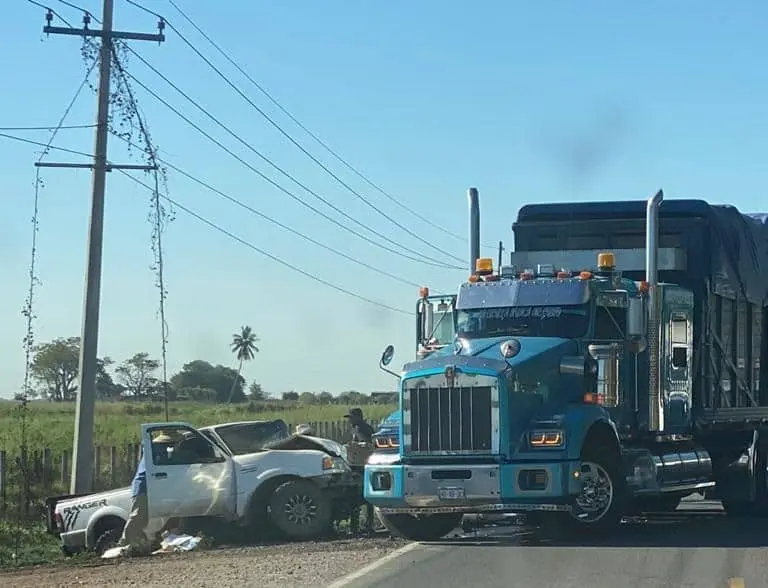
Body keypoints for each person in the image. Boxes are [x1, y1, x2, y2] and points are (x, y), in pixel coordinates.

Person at [119, 432, 175, 554]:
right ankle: (126, 542)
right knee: (138, 516)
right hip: (143, 487)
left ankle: (142, 544)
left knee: (145, 518)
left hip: (149, 488)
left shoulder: (153, 449)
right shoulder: (157, 452)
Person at [344, 408, 375, 533]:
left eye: (351, 417)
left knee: (360, 497)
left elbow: (368, 445)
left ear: (358, 417)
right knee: (363, 498)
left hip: (363, 467)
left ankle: (361, 525)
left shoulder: (362, 428)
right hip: (359, 466)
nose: (350, 420)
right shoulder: (358, 428)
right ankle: (362, 525)